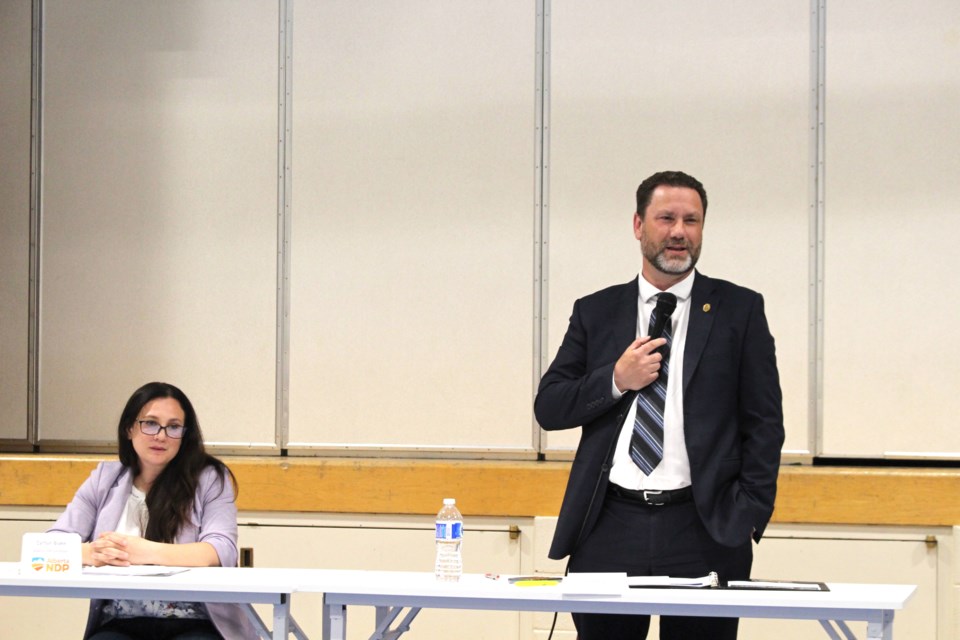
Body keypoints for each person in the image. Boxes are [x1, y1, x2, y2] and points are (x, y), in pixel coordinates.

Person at [534, 171, 784, 640]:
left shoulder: (739, 310)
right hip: (609, 524)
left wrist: (747, 513)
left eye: (692, 220)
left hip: (703, 525)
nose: (679, 231)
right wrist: (614, 380)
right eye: (666, 217)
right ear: (638, 225)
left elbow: (765, 423)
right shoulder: (597, 311)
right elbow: (550, 406)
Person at [49, 382, 259, 640]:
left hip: (196, 620)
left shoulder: (210, 478)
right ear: (129, 429)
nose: (161, 435)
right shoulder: (105, 477)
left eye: (173, 427)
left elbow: (221, 548)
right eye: (150, 423)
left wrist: (142, 551)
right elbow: (49, 547)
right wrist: (92, 552)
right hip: (121, 620)